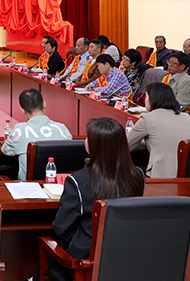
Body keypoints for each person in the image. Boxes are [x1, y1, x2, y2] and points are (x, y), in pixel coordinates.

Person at [50, 118, 145, 281]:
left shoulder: (77, 181)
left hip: (85, 263)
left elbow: (62, 228)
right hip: (127, 259)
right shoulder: (138, 176)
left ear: (94, 145)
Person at [127, 82, 190, 178]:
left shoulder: (148, 118)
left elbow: (128, 145)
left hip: (161, 176)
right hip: (189, 176)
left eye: (146, 97)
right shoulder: (186, 117)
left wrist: (148, 142)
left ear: (153, 99)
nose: (145, 100)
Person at [1, 89, 73, 180]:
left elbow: (5, 150)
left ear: (23, 110)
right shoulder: (62, 128)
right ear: (44, 104)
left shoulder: (19, 130)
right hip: (60, 185)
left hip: (29, 186)